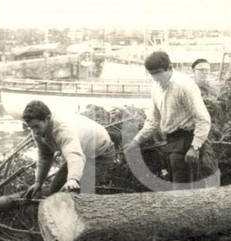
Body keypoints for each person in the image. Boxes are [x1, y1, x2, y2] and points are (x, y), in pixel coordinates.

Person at [124, 50, 212, 189]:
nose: (155, 77)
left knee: (183, 189)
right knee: (175, 184)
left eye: (158, 72)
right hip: (170, 141)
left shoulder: (184, 86)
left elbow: (203, 119)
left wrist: (195, 147)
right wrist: (135, 142)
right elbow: (152, 121)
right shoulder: (155, 88)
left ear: (170, 68)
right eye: (152, 74)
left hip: (187, 140)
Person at [22, 100, 117, 197]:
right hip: (83, 150)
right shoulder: (38, 132)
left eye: (37, 126)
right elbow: (45, 157)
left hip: (101, 153)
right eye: (31, 127)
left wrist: (73, 179)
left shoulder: (63, 130)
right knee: (54, 189)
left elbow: (74, 155)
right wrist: (38, 182)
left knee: (78, 192)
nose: (35, 131)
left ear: (48, 119)